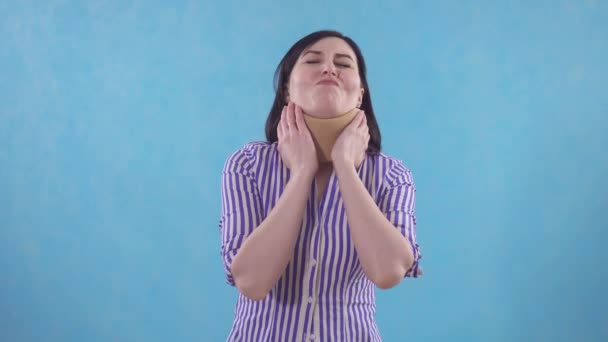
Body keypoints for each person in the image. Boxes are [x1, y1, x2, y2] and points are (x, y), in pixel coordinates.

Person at [219, 30, 422, 341]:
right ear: (287, 89)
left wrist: (345, 165)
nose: (329, 69)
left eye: (343, 64)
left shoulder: (391, 175)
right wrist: (302, 171)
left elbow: (388, 271)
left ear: (360, 95)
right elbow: (251, 281)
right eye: (313, 60)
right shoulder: (247, 165)